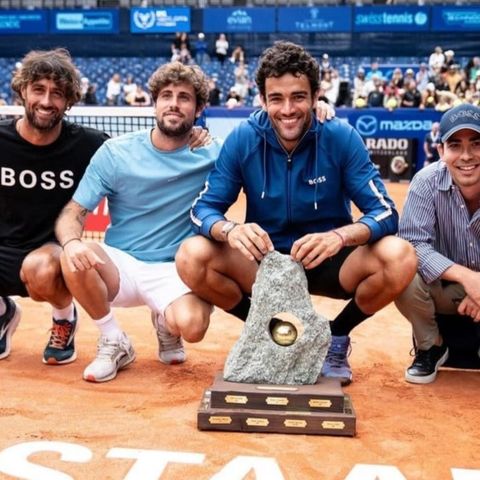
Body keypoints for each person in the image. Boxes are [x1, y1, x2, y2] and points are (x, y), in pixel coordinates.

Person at [176, 41, 417, 386]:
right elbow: (203, 210)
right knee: (191, 256)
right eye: (276, 98)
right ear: (262, 99)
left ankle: (334, 337)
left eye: (298, 97)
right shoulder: (243, 139)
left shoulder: (341, 137)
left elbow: (385, 212)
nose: (287, 109)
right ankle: (265, 328)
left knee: (400, 256)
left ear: (316, 95)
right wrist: (229, 230)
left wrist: (339, 237)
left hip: (330, 260)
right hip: (266, 263)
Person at [54, 62, 224, 383]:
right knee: (70, 256)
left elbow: (263, 141)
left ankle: (165, 323)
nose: (174, 103)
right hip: (122, 266)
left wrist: (319, 108)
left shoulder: (214, 152)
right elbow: (73, 213)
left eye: (185, 97)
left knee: (193, 326)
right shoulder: (115, 152)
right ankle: (113, 339)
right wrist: (73, 242)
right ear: (154, 102)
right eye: (166, 95)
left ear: (199, 107)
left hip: (175, 268)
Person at [0, 48, 109, 364]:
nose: (47, 101)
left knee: (43, 268)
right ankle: (4, 313)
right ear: (23, 91)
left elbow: (141, 151)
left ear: (69, 101)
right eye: (38, 90)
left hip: (51, 254)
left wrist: (192, 138)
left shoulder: (89, 144)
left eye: (57, 94)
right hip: (4, 247)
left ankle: (63, 319)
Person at [395, 103, 480, 384]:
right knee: (399, 264)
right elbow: (412, 243)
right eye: (455, 145)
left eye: (476, 144)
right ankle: (431, 346)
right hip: (444, 290)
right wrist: (468, 279)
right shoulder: (426, 182)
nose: (466, 156)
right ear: (441, 151)